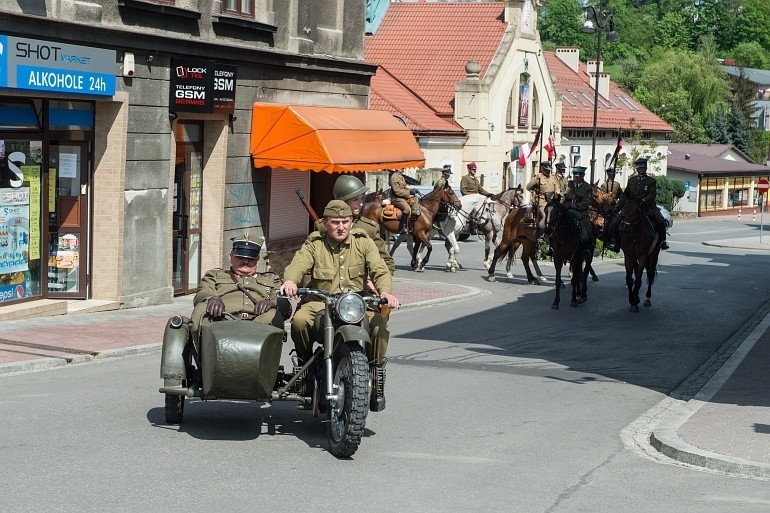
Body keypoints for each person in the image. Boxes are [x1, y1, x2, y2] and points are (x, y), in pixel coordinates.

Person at [280, 200, 400, 412]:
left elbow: (379, 268)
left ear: (352, 222)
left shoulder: (363, 242)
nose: (341, 227)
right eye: (335, 222)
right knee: (299, 321)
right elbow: (299, 263)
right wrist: (290, 281)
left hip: (356, 302)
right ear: (325, 223)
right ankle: (305, 370)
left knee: (379, 326)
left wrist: (385, 291)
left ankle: (375, 375)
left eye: (345, 221)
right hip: (320, 301)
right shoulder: (315, 243)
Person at [190, 233, 284, 333]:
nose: (246, 262)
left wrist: (272, 303)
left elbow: (282, 302)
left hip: (259, 323)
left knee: (273, 314)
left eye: (251, 258)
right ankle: (196, 347)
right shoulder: (214, 275)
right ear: (230, 257)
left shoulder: (271, 278)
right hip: (222, 319)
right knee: (201, 308)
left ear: (257, 261)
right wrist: (211, 298)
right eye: (240, 257)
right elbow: (203, 292)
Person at [328, 175, 395, 276]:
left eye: (362, 199)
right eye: (355, 200)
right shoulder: (324, 226)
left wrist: (376, 284)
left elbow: (386, 262)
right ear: (343, 202)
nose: (361, 204)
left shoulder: (368, 228)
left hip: (358, 288)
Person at [607, 157, 669, 251]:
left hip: (647, 207)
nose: (641, 170)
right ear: (636, 169)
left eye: (642, 168)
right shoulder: (631, 180)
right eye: (639, 168)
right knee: (616, 222)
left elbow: (652, 195)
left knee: (660, 221)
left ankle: (663, 241)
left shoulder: (651, 181)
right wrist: (617, 207)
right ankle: (616, 243)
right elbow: (625, 195)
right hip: (631, 207)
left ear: (645, 168)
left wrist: (644, 201)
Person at [562, 166, 594, 250]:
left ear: (582, 176)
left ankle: (587, 250)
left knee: (587, 231)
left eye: (578, 176)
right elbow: (563, 196)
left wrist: (573, 206)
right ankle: (552, 248)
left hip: (580, 212)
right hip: (567, 210)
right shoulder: (569, 184)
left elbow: (585, 204)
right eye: (574, 175)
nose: (575, 177)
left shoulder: (587, 187)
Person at [526, 161, 561, 234]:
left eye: (549, 170)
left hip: (552, 201)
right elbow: (528, 187)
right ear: (542, 169)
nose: (548, 171)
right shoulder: (538, 177)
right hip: (542, 202)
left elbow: (557, 186)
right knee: (545, 217)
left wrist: (557, 190)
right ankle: (541, 234)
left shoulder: (552, 177)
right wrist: (535, 179)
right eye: (546, 170)